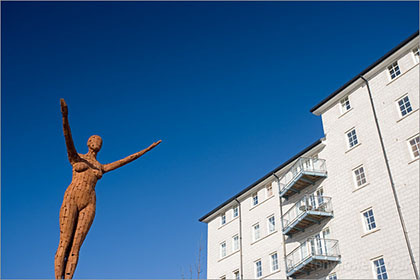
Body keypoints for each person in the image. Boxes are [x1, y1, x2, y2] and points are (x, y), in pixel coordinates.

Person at [55, 99, 161, 279]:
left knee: (76, 246)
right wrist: (65, 117)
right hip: (72, 197)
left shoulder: (101, 166)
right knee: (64, 242)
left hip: (89, 201)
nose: (98, 141)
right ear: (88, 142)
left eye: (100, 141)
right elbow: (67, 138)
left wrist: (147, 149)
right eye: (95, 139)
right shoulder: (77, 158)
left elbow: (125, 160)